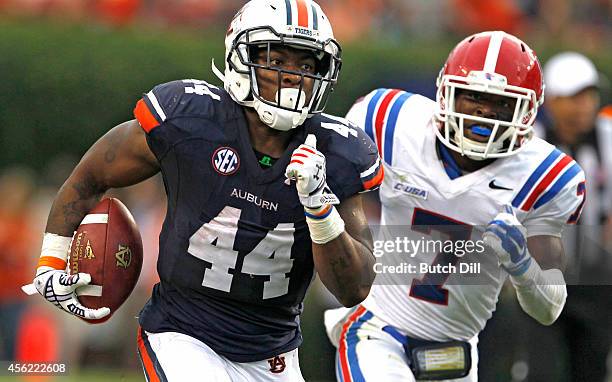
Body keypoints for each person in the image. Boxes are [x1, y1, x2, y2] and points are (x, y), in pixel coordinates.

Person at [23, 0, 383, 380]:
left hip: (273, 353)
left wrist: (320, 208)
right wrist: (51, 258)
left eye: (306, 65)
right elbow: (91, 176)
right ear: (240, 58)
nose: (293, 76)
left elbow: (354, 289)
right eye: (277, 60)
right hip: (183, 334)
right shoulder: (193, 119)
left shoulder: (336, 153)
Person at [324, 31, 586, 381]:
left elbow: (549, 309)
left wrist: (522, 265)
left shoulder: (545, 176)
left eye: (501, 103)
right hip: (377, 330)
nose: (484, 112)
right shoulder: (391, 122)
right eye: (473, 96)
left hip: (455, 353)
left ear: (527, 113)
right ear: (446, 94)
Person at [518, 52, 611, 382]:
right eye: (574, 97)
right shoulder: (529, 142)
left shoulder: (607, 136)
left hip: (596, 280)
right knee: (537, 368)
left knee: (592, 367)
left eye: (589, 95)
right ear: (552, 101)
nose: (585, 105)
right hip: (538, 275)